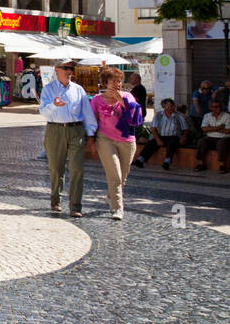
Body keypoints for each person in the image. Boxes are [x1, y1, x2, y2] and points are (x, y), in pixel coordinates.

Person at [39, 58, 98, 218]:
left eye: (72, 68)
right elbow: (43, 112)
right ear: (57, 69)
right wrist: (53, 105)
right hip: (55, 130)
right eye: (66, 68)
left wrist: (91, 135)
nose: (69, 71)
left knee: (77, 169)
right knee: (56, 169)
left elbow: (87, 113)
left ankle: (75, 206)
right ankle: (55, 199)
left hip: (75, 131)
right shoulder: (48, 89)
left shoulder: (78, 90)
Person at [90, 66, 144, 220]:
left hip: (127, 141)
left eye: (119, 81)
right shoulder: (97, 100)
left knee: (122, 177)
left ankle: (110, 196)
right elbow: (93, 120)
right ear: (105, 83)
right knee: (115, 175)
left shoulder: (128, 96)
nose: (117, 84)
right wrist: (90, 139)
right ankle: (117, 208)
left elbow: (135, 118)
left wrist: (122, 101)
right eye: (114, 81)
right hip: (105, 140)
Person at [136, 99, 191, 170]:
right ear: (164, 107)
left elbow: (186, 129)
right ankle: (140, 159)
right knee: (151, 143)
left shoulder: (179, 116)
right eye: (168, 106)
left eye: (172, 106)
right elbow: (153, 128)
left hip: (174, 136)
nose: (171, 108)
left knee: (171, 143)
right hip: (161, 136)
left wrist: (183, 137)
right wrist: (158, 139)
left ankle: (167, 162)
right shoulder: (159, 115)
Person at [195, 99, 230, 173]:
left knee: (221, 143)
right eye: (216, 107)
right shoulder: (207, 116)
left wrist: (211, 128)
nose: (218, 108)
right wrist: (219, 127)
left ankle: (222, 165)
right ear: (210, 108)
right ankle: (201, 163)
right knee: (201, 141)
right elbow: (204, 129)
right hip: (210, 138)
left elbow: (228, 130)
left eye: (220, 106)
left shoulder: (227, 116)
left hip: (224, 138)